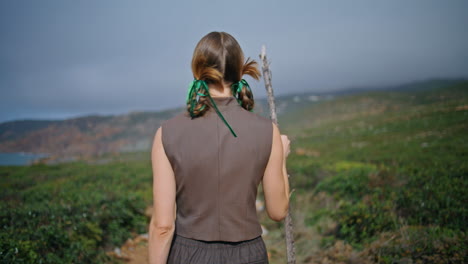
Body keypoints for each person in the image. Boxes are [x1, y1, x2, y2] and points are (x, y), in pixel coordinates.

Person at [148, 31, 291, 264]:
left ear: (198, 70)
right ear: (239, 70)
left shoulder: (167, 133)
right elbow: (278, 211)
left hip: (189, 255)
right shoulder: (268, 131)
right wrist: (281, 158)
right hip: (248, 255)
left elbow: (163, 226)